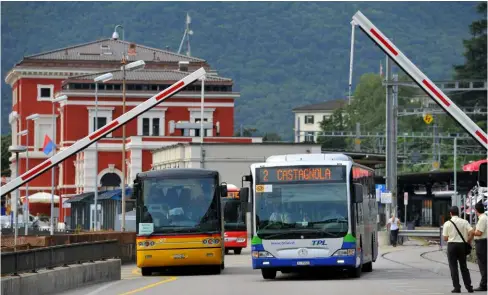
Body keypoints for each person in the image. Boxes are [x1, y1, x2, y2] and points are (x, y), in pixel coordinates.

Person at [442, 206, 474, 293]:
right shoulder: (464, 222)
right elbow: (472, 232)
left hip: (452, 246)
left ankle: (457, 287)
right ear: (458, 213)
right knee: (464, 266)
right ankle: (469, 287)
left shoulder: (447, 223)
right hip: (462, 246)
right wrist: (468, 240)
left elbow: (445, 238)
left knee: (453, 267)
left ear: (450, 213)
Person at [473, 202, 487, 292]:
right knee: (484, 263)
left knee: (482, 264)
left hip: (481, 243)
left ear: (476, 210)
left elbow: (479, 233)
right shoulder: (484, 217)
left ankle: (483, 284)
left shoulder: (482, 219)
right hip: (483, 242)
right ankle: (484, 283)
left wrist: (471, 232)